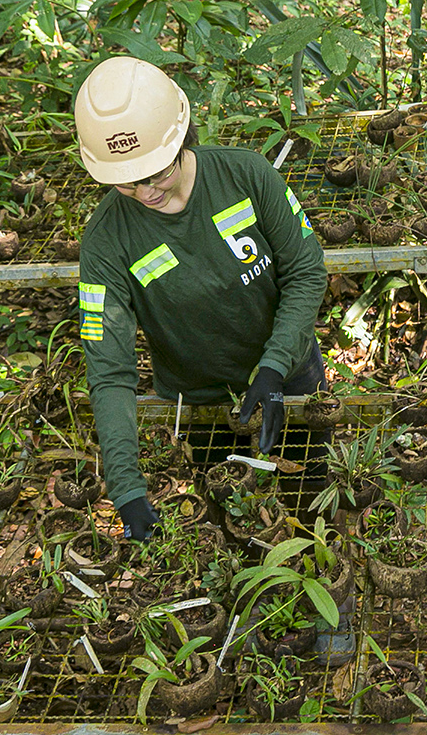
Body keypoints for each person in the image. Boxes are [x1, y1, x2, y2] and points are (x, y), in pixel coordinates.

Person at [73, 55, 329, 542]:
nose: (146, 192)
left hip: (289, 376)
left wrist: (275, 366)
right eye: (127, 181)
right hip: (202, 403)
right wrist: (125, 488)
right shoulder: (107, 240)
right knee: (235, 524)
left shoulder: (246, 175)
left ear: (182, 137)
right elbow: (109, 368)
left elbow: (306, 270)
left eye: (158, 173)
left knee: (311, 504)